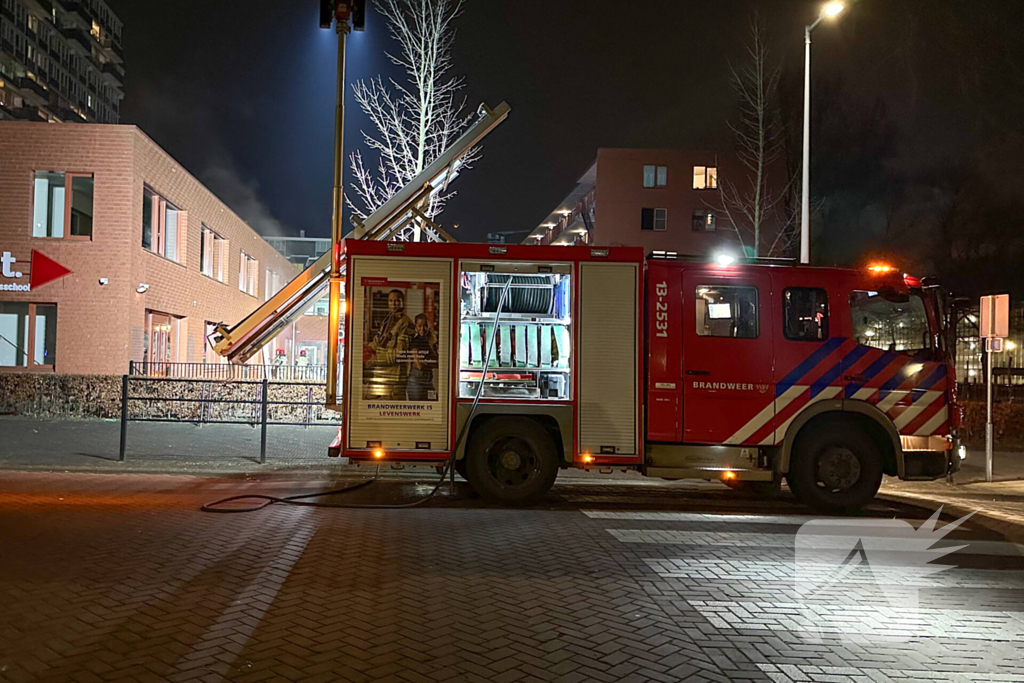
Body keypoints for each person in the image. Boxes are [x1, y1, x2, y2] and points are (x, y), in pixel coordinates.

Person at [363, 288, 413, 400]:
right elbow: (379, 340)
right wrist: (366, 350)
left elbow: (400, 354)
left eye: (396, 301)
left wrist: (375, 359)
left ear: (402, 302)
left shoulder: (406, 323)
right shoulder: (388, 319)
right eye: (391, 301)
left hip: (394, 379)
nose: (393, 304)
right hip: (380, 376)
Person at [406, 314, 438, 401]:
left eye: (425, 326)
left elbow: (438, 361)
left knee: (434, 404)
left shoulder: (430, 341)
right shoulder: (415, 342)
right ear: (415, 327)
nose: (422, 329)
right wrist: (433, 362)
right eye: (419, 326)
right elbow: (419, 365)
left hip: (428, 380)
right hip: (417, 381)